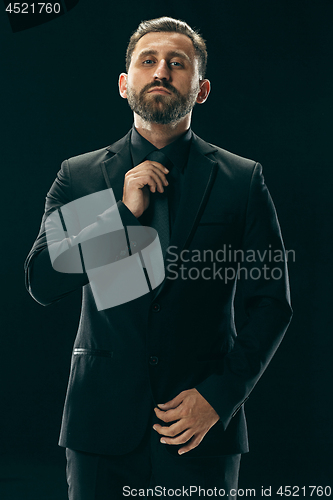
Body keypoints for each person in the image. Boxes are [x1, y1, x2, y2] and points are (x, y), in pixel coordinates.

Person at [25, 16, 292, 500]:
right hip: (99, 429)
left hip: (200, 431)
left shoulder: (241, 179)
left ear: (202, 88)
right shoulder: (80, 176)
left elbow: (271, 304)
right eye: (148, 61)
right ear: (125, 84)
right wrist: (120, 217)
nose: (161, 72)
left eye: (177, 63)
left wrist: (218, 398)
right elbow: (44, 280)